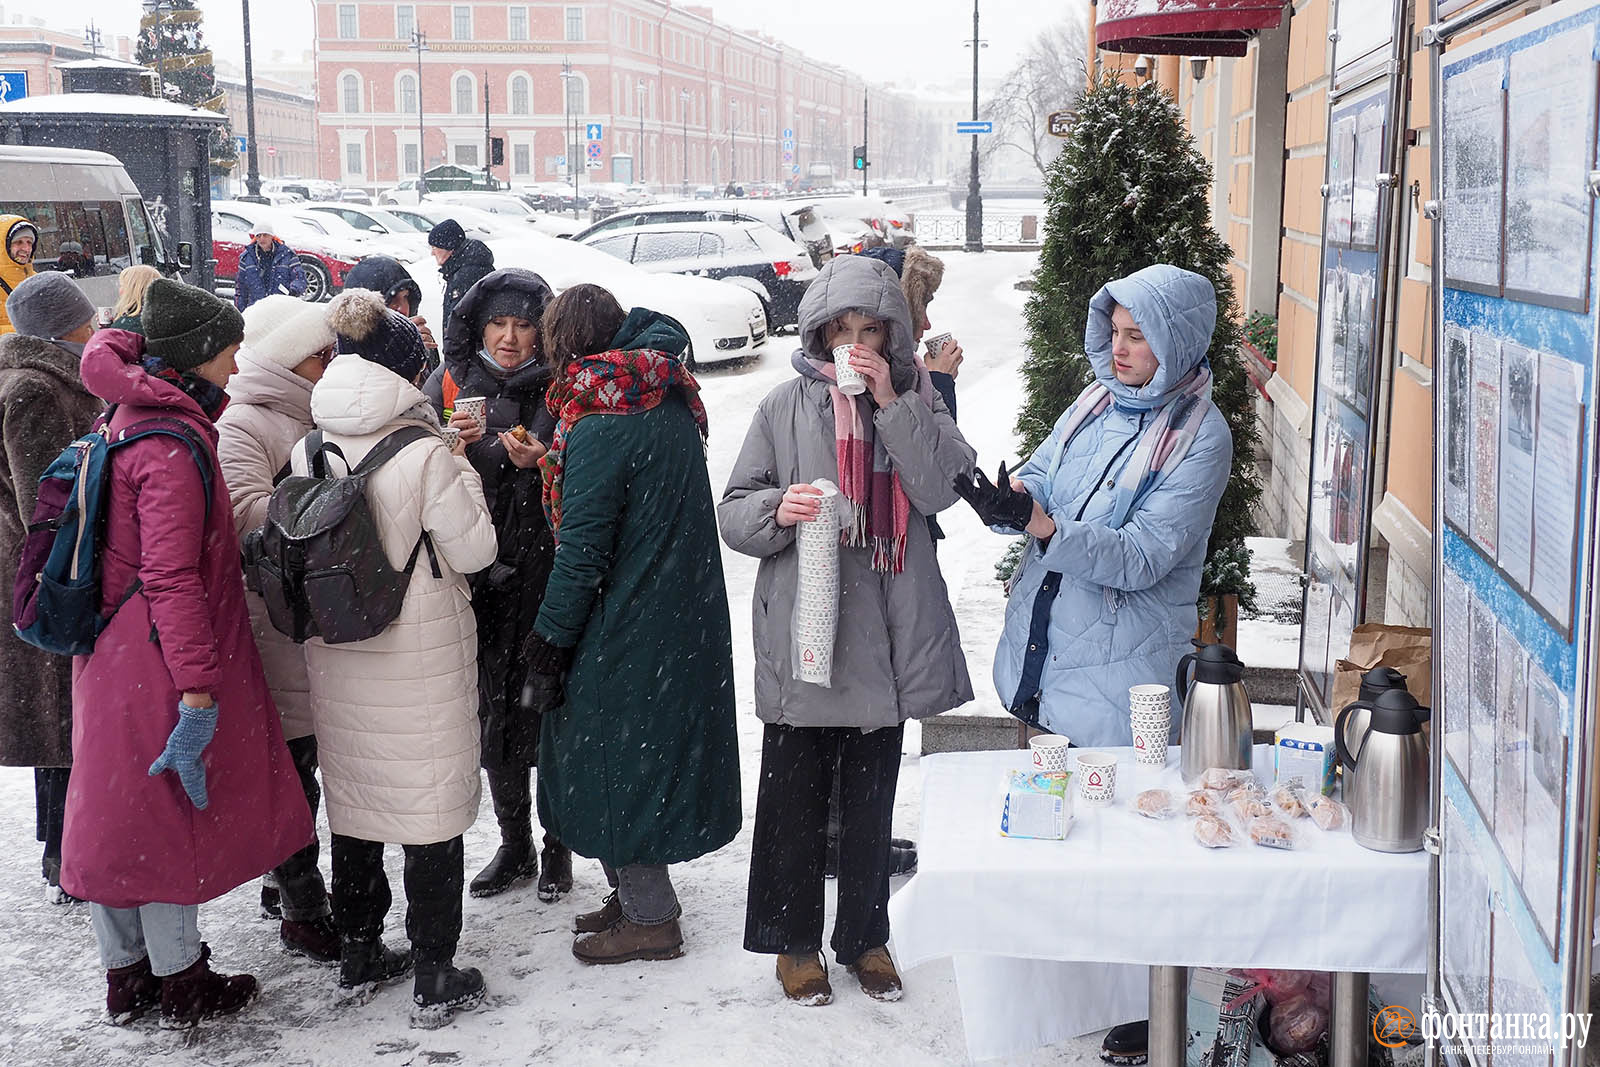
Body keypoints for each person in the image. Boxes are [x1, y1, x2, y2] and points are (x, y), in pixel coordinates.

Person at [719, 254, 975, 1006]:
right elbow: (735, 507)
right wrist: (780, 510)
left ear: (894, 336)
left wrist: (896, 399)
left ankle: (865, 936)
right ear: (821, 335)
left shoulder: (922, 400)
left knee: (871, 802)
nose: (856, 346)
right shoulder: (782, 406)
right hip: (810, 629)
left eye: (872, 331)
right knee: (793, 800)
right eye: (843, 332)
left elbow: (938, 490)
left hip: (889, 633)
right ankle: (794, 943)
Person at [64, 278, 315, 1027]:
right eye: (230, 350)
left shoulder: (124, 413)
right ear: (195, 354)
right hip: (156, 654)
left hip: (109, 646)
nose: (239, 365)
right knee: (165, 815)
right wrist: (198, 688)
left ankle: (127, 975)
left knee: (116, 815)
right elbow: (171, 576)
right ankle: (181, 978)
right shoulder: (171, 443)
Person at [296, 288, 498, 1028]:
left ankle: (357, 950)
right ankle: (436, 969)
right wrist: (460, 463)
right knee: (430, 809)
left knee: (357, 806)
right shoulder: (421, 450)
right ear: (405, 372)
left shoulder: (308, 444)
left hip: (340, 645)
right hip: (420, 653)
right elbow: (476, 547)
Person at [526, 283, 741, 965]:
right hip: (677, 617)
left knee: (619, 764)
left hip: (626, 624)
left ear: (565, 348)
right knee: (640, 759)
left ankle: (651, 917)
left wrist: (549, 640)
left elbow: (584, 550)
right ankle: (638, 900)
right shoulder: (662, 395)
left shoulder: (598, 422)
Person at [422, 268, 572, 902]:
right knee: (495, 712)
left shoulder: (564, 388)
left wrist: (546, 460)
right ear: (479, 327)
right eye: (498, 325)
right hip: (478, 574)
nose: (510, 338)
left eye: (523, 325)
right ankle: (514, 843)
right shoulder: (450, 383)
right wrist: (477, 454)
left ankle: (560, 844)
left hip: (549, 573)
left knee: (553, 707)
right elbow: (421, 462)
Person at [214, 294, 341, 963]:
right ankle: (303, 905)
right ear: (295, 360)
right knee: (293, 775)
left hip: (313, 616)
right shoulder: (245, 423)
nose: (333, 363)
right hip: (275, 619)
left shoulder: (309, 410)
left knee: (306, 764)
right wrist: (328, 495)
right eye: (323, 354)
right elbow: (243, 516)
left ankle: (283, 881)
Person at [0, 273, 105, 905]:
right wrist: (65, 565)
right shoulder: (33, 389)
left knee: (66, 715)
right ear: (62, 326)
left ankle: (65, 847)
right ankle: (61, 852)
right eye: (85, 317)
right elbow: (40, 495)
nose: (95, 325)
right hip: (45, 569)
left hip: (53, 563)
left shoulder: (53, 377)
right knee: (59, 716)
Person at [342, 254, 438, 363]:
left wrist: (423, 357)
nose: (402, 308)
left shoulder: (418, 339)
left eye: (405, 297)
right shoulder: (337, 355)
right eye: (390, 300)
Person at [428, 220, 495, 332]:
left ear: (448, 247)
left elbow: (459, 322)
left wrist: (452, 347)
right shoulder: (464, 267)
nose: (432, 253)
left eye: (434, 247)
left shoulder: (466, 275)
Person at [233, 228, 307, 311]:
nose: (262, 238)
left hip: (281, 308)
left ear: (272, 236)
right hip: (256, 309)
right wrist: (240, 312)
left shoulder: (287, 255)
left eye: (265, 235)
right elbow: (240, 287)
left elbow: (299, 277)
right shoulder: (247, 258)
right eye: (258, 236)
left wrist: (294, 290)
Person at [0, 216, 39, 334]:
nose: (26, 249)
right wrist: (28, 333)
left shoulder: (37, 280)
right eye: (18, 242)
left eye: (29, 243)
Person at [108, 264, 163, 333]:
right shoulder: (163, 317)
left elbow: (114, 341)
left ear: (132, 290)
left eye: (122, 286)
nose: (120, 290)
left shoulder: (128, 325)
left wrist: (108, 331)